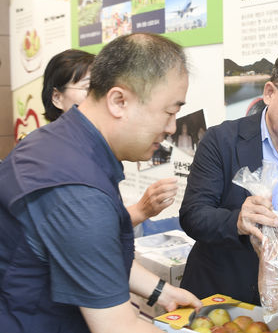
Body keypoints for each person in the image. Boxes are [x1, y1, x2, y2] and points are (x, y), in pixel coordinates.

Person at [0, 34, 243, 333]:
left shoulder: (66, 144)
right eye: (170, 111)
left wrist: (162, 290)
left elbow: (88, 254)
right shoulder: (74, 187)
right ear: (119, 101)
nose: (172, 127)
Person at [179, 46, 278, 317]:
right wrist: (237, 222)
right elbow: (193, 216)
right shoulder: (222, 141)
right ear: (269, 93)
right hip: (217, 297)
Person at [41, 48, 180, 226]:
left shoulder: (89, 146)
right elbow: (86, 230)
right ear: (57, 97)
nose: (99, 96)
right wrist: (141, 210)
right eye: (88, 88)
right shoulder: (58, 156)